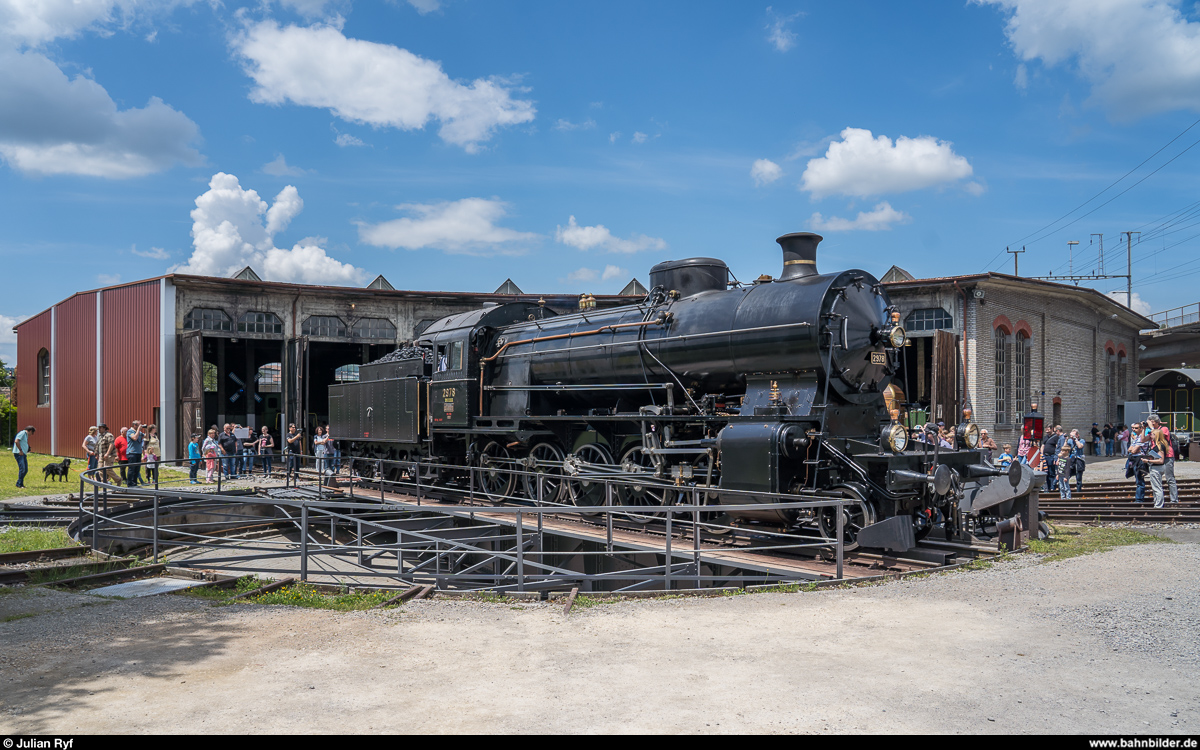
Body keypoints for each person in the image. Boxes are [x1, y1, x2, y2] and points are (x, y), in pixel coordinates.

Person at [1146, 414, 1179, 504]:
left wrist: (1151, 427)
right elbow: (1143, 440)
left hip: (1168, 456)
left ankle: (1174, 500)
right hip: (1156, 456)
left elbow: (1159, 436)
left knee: (1170, 478)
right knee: (1156, 480)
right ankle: (1158, 500)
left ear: (1155, 422)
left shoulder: (1164, 429)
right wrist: (1143, 429)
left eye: (1151, 422)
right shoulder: (1151, 431)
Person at [1146, 428, 1169, 508]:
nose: (1151, 436)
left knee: (1157, 487)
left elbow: (1161, 460)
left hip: (1157, 468)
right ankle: (1157, 503)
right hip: (1157, 468)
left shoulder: (1160, 446)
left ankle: (1158, 506)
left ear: (1156, 435)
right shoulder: (1160, 445)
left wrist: (1148, 461)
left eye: (1152, 434)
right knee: (1156, 487)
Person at [125, 421, 145, 487]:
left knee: (137, 469)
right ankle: (130, 483)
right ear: (134, 425)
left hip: (138, 452)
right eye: (138, 425)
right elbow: (134, 438)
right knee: (131, 469)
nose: (140, 426)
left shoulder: (139, 432)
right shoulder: (130, 431)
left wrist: (147, 430)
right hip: (132, 452)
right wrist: (138, 430)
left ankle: (135, 483)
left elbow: (146, 437)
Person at [1043, 425, 1063, 491]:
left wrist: (1056, 458)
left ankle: (1052, 487)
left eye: (1048, 430)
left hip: (1051, 456)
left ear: (1052, 429)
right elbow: (1043, 446)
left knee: (1052, 472)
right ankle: (1048, 487)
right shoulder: (1046, 437)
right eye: (1046, 431)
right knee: (1046, 473)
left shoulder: (1055, 437)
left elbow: (1057, 448)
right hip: (1045, 456)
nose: (1047, 432)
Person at [1066, 429, 1086, 493]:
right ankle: (1066, 490)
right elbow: (1064, 447)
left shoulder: (1082, 440)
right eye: (1071, 436)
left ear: (1077, 435)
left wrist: (1075, 439)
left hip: (1079, 460)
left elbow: (1080, 446)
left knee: (1079, 478)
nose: (1072, 437)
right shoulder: (1069, 441)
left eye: (1074, 435)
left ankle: (1078, 492)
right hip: (1071, 461)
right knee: (1067, 476)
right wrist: (1066, 440)